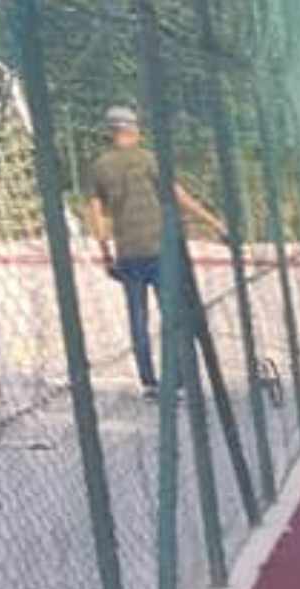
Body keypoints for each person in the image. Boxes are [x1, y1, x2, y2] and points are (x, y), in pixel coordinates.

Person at [85, 105, 225, 397]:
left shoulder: (99, 167)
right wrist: (214, 222)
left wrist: (105, 252)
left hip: (127, 252)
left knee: (138, 319)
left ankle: (149, 383)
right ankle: (178, 380)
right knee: (171, 315)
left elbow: (97, 214)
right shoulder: (149, 159)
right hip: (159, 248)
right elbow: (178, 195)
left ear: (110, 132)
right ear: (132, 129)